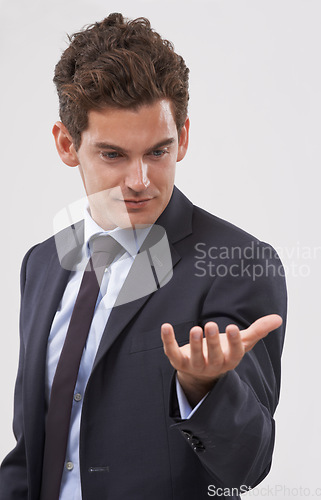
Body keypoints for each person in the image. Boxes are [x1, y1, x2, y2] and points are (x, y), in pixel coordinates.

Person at [0, 13, 287, 500]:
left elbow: (247, 465)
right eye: (113, 155)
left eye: (158, 151)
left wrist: (205, 389)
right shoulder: (43, 262)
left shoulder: (238, 262)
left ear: (184, 137)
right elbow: (37, 443)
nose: (140, 180)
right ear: (67, 145)